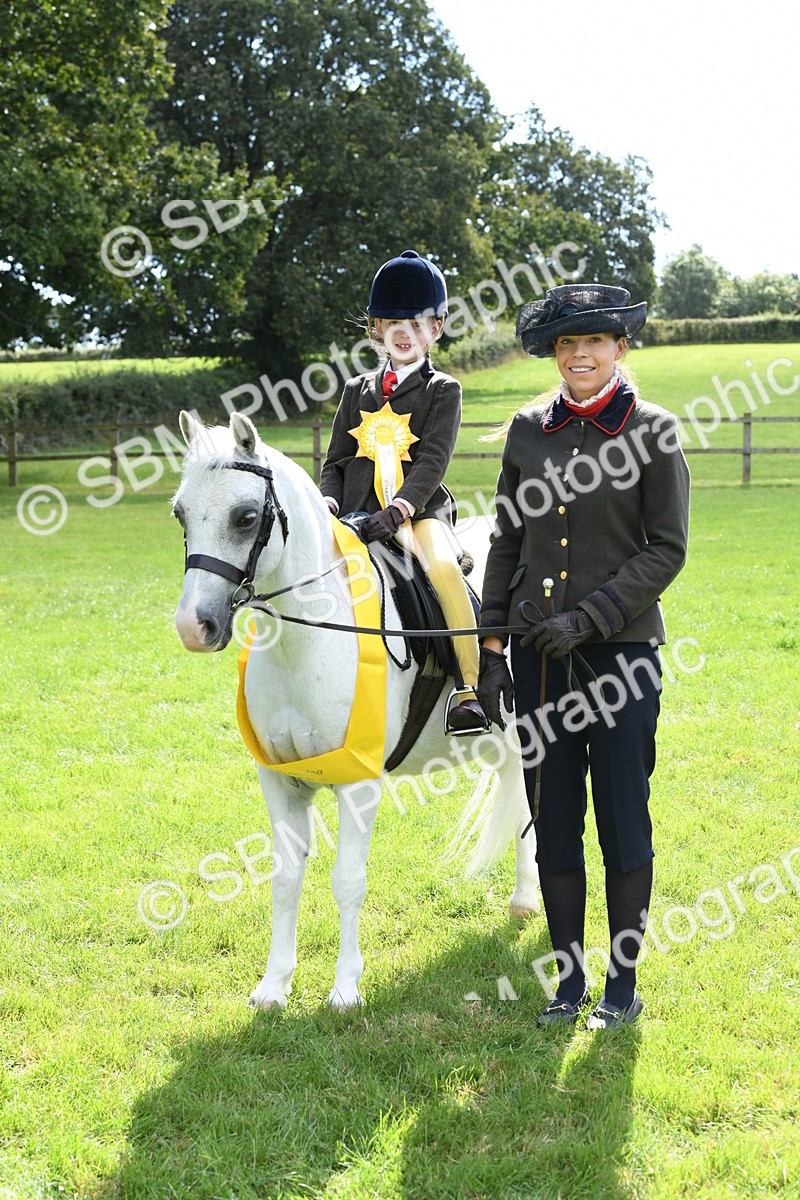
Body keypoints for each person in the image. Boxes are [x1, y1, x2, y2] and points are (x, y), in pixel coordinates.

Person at [476, 283, 690, 1028]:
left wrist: (593, 617)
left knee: (623, 818)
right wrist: (493, 649)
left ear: (620, 348)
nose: (579, 356)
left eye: (593, 342)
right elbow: (505, 542)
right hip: (538, 660)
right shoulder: (526, 430)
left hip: (620, 657)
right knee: (554, 815)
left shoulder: (656, 432)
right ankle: (568, 983)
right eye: (567, 345)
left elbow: (668, 549)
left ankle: (621, 987)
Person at [320, 248, 488, 734]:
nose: (403, 333)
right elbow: (334, 461)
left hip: (418, 514)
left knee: (440, 570)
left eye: (415, 324)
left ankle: (467, 687)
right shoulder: (356, 390)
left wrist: (400, 508)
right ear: (375, 328)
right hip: (353, 514)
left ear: (435, 328)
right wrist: (329, 501)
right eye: (392, 323)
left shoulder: (444, 390)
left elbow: (434, 460)